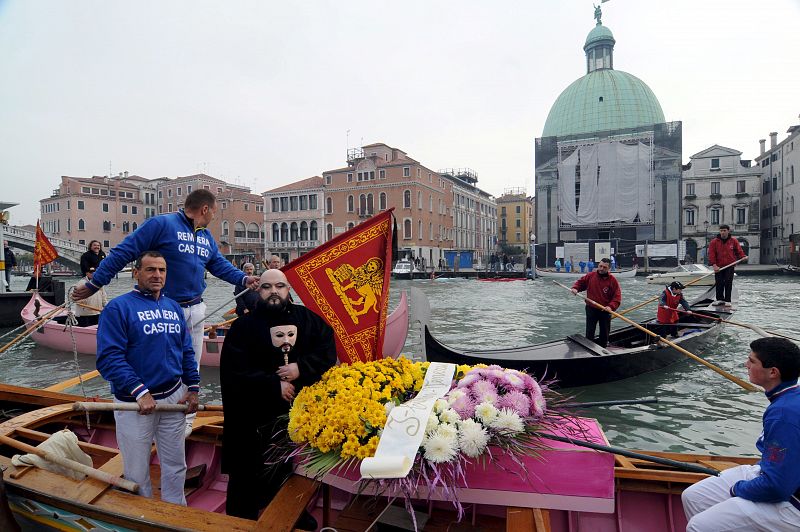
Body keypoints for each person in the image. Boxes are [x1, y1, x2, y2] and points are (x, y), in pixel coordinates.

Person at [72, 189, 259, 437]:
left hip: (196, 309)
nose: (213, 216)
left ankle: (185, 420)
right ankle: (143, 406)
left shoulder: (205, 237)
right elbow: (124, 251)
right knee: (157, 364)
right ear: (205, 209)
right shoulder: (162, 224)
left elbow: (217, 264)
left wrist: (243, 278)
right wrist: (96, 284)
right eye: (214, 212)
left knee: (190, 365)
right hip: (163, 307)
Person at [220, 269, 336, 525]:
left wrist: (300, 368)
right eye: (267, 287)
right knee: (246, 472)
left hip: (292, 414)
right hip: (252, 415)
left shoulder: (308, 320)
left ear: (288, 289)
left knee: (284, 466)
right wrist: (274, 385)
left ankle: (288, 512)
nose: (274, 291)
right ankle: (239, 521)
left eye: (279, 286)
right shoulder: (243, 327)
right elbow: (233, 371)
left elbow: (327, 350)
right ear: (258, 291)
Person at [96, 251, 199, 505]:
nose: (157, 275)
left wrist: (193, 387)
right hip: (134, 403)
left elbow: (186, 349)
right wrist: (140, 391)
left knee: (176, 463)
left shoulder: (173, 306)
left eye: (162, 270)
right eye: (151, 270)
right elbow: (109, 358)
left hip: (174, 397)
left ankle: (176, 510)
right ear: (136, 273)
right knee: (137, 469)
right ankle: (144, 515)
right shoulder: (118, 308)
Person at [682, 337, 800, 531]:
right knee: (694, 496)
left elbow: (778, 487)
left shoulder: (783, 414)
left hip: (792, 503)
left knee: (698, 526)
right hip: (773, 472)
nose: (746, 364)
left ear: (773, 372)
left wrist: (738, 489)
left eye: (752, 361)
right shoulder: (789, 397)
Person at [571, 258, 621, 348]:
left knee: (604, 332)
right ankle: (588, 349)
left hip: (605, 310)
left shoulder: (612, 280)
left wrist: (611, 307)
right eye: (600, 266)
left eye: (604, 267)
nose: (601, 268)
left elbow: (617, 297)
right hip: (591, 308)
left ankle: (603, 348)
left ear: (609, 269)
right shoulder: (591, 275)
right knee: (589, 331)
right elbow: (580, 283)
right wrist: (575, 288)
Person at [708, 224, 747, 307]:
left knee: (728, 282)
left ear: (728, 231)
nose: (723, 232)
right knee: (719, 282)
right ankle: (719, 299)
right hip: (718, 266)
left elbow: (739, 251)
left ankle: (728, 300)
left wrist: (743, 257)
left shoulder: (734, 241)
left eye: (724, 231)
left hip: (730, 265)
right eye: (721, 231)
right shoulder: (714, 242)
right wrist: (714, 265)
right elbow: (711, 254)